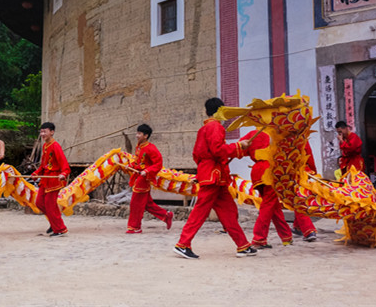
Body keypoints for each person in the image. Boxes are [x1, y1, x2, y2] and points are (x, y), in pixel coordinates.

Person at [174, 97, 257, 259]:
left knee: (228, 212)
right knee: (200, 211)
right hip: (214, 176)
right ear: (220, 110)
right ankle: (183, 244)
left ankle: (243, 246)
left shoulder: (204, 129)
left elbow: (198, 155)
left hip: (213, 176)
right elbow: (218, 150)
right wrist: (239, 146)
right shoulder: (215, 127)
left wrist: (201, 173)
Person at [241, 130, 293, 249]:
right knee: (268, 205)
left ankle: (286, 237)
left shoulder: (252, 133)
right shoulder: (275, 134)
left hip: (257, 170)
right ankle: (259, 238)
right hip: (269, 171)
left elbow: (240, 148)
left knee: (273, 205)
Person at [125, 124, 173, 234]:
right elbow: (137, 161)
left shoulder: (151, 148)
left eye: (139, 133)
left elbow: (158, 164)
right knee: (147, 204)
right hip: (138, 176)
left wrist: (146, 171)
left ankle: (135, 227)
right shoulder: (139, 147)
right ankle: (166, 216)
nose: (137, 136)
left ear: (145, 136)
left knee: (135, 203)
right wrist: (131, 166)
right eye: (137, 133)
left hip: (144, 179)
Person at [32, 122, 70, 237]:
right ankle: (54, 224)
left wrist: (64, 173)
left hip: (54, 180)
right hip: (45, 180)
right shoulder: (45, 146)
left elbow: (65, 165)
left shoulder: (55, 146)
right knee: (39, 203)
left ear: (52, 132)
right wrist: (36, 173)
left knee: (50, 205)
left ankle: (60, 229)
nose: (42, 134)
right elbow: (43, 165)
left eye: (45, 131)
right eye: (41, 131)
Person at [291, 141, 318, 242]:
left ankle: (309, 230)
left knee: (298, 201)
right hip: (305, 173)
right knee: (298, 199)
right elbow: (309, 157)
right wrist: (314, 171)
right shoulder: (303, 139)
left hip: (293, 174)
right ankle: (297, 227)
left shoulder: (283, 139)